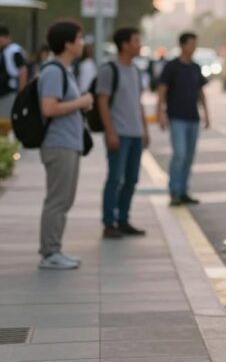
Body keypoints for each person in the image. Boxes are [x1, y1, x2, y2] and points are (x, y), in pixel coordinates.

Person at [37, 20, 94, 270]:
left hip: (68, 144)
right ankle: (50, 253)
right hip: (58, 144)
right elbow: (49, 108)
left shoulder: (65, 70)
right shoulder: (53, 71)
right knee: (57, 200)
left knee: (64, 199)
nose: (83, 43)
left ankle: (54, 249)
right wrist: (81, 102)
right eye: (79, 39)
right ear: (67, 44)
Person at [97, 27, 149, 239]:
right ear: (125, 45)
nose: (140, 44)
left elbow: (138, 102)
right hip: (119, 134)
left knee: (131, 179)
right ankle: (109, 223)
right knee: (114, 179)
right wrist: (110, 132)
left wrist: (144, 129)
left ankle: (124, 220)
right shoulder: (109, 69)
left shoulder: (136, 70)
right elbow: (102, 101)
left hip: (135, 134)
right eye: (136, 41)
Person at [157, 33, 210, 206]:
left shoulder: (195, 67)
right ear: (182, 45)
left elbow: (201, 92)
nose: (193, 47)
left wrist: (206, 114)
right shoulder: (172, 66)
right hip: (177, 117)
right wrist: (160, 113)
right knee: (179, 154)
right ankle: (174, 191)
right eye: (191, 44)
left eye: (195, 44)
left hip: (193, 117)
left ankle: (183, 190)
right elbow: (162, 90)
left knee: (189, 156)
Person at [0, 26, 29, 136]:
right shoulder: (3, 51)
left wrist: (21, 93)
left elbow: (23, 71)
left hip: (9, 93)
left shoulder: (13, 51)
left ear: (8, 38)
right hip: (3, 93)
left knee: (7, 124)